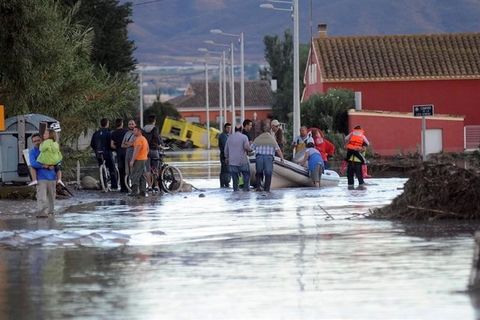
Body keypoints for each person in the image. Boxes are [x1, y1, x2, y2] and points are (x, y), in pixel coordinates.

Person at [29, 133, 57, 218]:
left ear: (42, 140)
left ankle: (51, 214)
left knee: (52, 198)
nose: (37, 142)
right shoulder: (32, 152)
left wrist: (54, 164)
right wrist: (43, 165)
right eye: (34, 141)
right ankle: (42, 214)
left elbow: (58, 159)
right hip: (41, 178)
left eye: (38, 140)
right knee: (42, 198)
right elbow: (33, 163)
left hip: (52, 177)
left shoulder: (49, 149)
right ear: (32, 143)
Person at [251, 127, 284, 192]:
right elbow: (278, 149)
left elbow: (251, 148)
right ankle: (267, 189)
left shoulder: (258, 139)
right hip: (269, 158)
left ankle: (258, 187)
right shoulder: (272, 139)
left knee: (259, 172)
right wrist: (282, 158)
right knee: (268, 173)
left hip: (259, 157)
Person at [90, 118, 118, 190]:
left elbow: (92, 144)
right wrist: (114, 149)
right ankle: (114, 186)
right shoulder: (109, 133)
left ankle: (103, 185)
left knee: (101, 168)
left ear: (100, 124)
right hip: (107, 153)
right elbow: (111, 144)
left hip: (98, 154)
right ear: (107, 124)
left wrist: (96, 150)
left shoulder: (96, 133)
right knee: (112, 169)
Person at [225, 125, 252, 191]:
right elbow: (246, 147)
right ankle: (246, 190)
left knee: (235, 179)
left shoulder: (229, 137)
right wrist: (251, 149)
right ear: (241, 129)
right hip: (242, 161)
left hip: (232, 162)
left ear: (234, 130)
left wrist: (227, 158)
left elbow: (226, 150)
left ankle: (236, 191)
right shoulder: (244, 137)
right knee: (246, 175)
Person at [143, 114, 161, 192]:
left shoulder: (143, 128)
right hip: (154, 150)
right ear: (154, 121)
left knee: (147, 169)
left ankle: (149, 186)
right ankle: (156, 186)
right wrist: (160, 144)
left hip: (145, 151)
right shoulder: (155, 128)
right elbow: (157, 138)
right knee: (155, 168)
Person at [129, 126, 149, 197]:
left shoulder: (139, 139)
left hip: (139, 159)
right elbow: (147, 149)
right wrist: (145, 156)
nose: (133, 132)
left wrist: (132, 160)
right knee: (142, 175)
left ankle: (134, 191)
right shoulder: (143, 138)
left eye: (135, 131)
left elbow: (136, 150)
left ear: (139, 131)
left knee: (135, 175)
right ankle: (143, 191)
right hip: (143, 159)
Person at [111, 118, 128, 193]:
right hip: (126, 152)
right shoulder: (126, 132)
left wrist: (117, 148)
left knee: (121, 170)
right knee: (127, 170)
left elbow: (111, 145)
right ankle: (127, 186)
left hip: (119, 153)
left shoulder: (113, 133)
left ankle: (122, 188)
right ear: (122, 124)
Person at [218, 122, 232, 188]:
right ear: (225, 128)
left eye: (230, 128)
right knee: (225, 170)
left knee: (225, 170)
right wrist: (227, 156)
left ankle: (225, 184)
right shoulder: (223, 136)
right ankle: (224, 184)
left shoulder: (227, 136)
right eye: (228, 128)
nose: (229, 129)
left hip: (226, 156)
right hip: (224, 156)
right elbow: (225, 147)